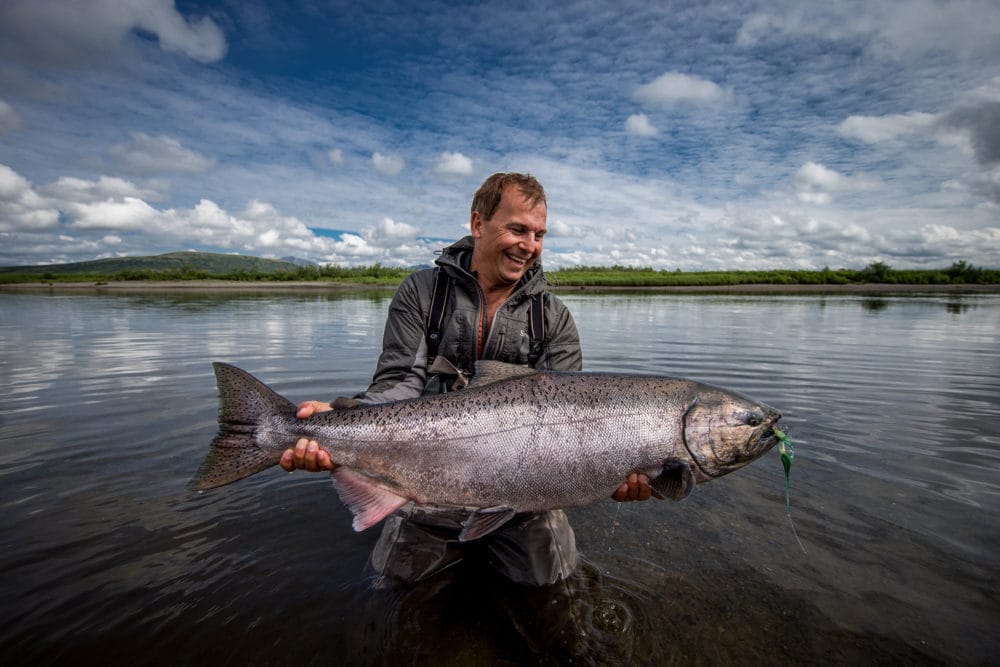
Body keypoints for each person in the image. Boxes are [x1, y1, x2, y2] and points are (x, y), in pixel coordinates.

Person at [281, 172, 655, 588]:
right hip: (424, 484)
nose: (529, 246)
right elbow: (398, 386)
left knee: (556, 590)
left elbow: (572, 426)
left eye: (539, 234)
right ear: (478, 224)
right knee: (390, 589)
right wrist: (336, 419)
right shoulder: (421, 293)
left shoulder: (553, 317)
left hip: (526, 501)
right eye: (517, 229)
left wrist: (618, 469)